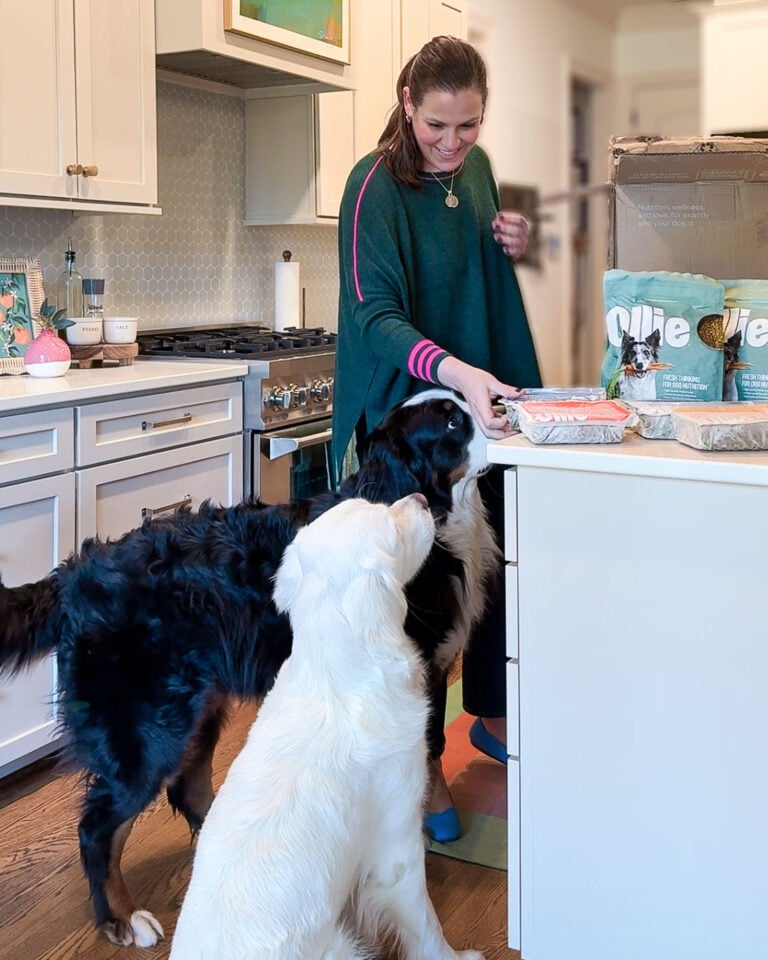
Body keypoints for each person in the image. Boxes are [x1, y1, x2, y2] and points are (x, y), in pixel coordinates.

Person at [331, 35, 542, 842]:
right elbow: (373, 316)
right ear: (407, 104)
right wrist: (455, 371)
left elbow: (478, 254)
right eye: (436, 128)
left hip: (472, 410)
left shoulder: (477, 171)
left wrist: (520, 239)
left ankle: (487, 714)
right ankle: (417, 770)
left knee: (490, 569)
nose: (452, 145)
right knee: (418, 608)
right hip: (405, 429)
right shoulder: (372, 187)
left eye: (469, 126)